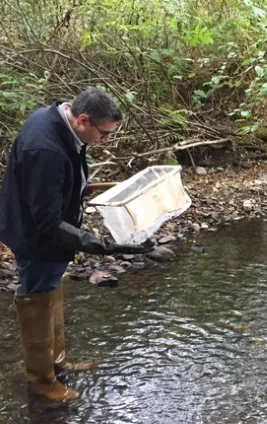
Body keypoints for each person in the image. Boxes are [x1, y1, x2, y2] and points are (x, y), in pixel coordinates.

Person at [0, 89, 153, 401]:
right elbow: (47, 221)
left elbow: (62, 184)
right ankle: (42, 381)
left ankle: (57, 363)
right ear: (83, 119)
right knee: (38, 301)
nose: (106, 141)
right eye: (105, 133)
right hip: (35, 238)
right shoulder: (45, 148)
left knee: (51, 292)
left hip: (47, 232)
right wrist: (102, 245)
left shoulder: (57, 120)